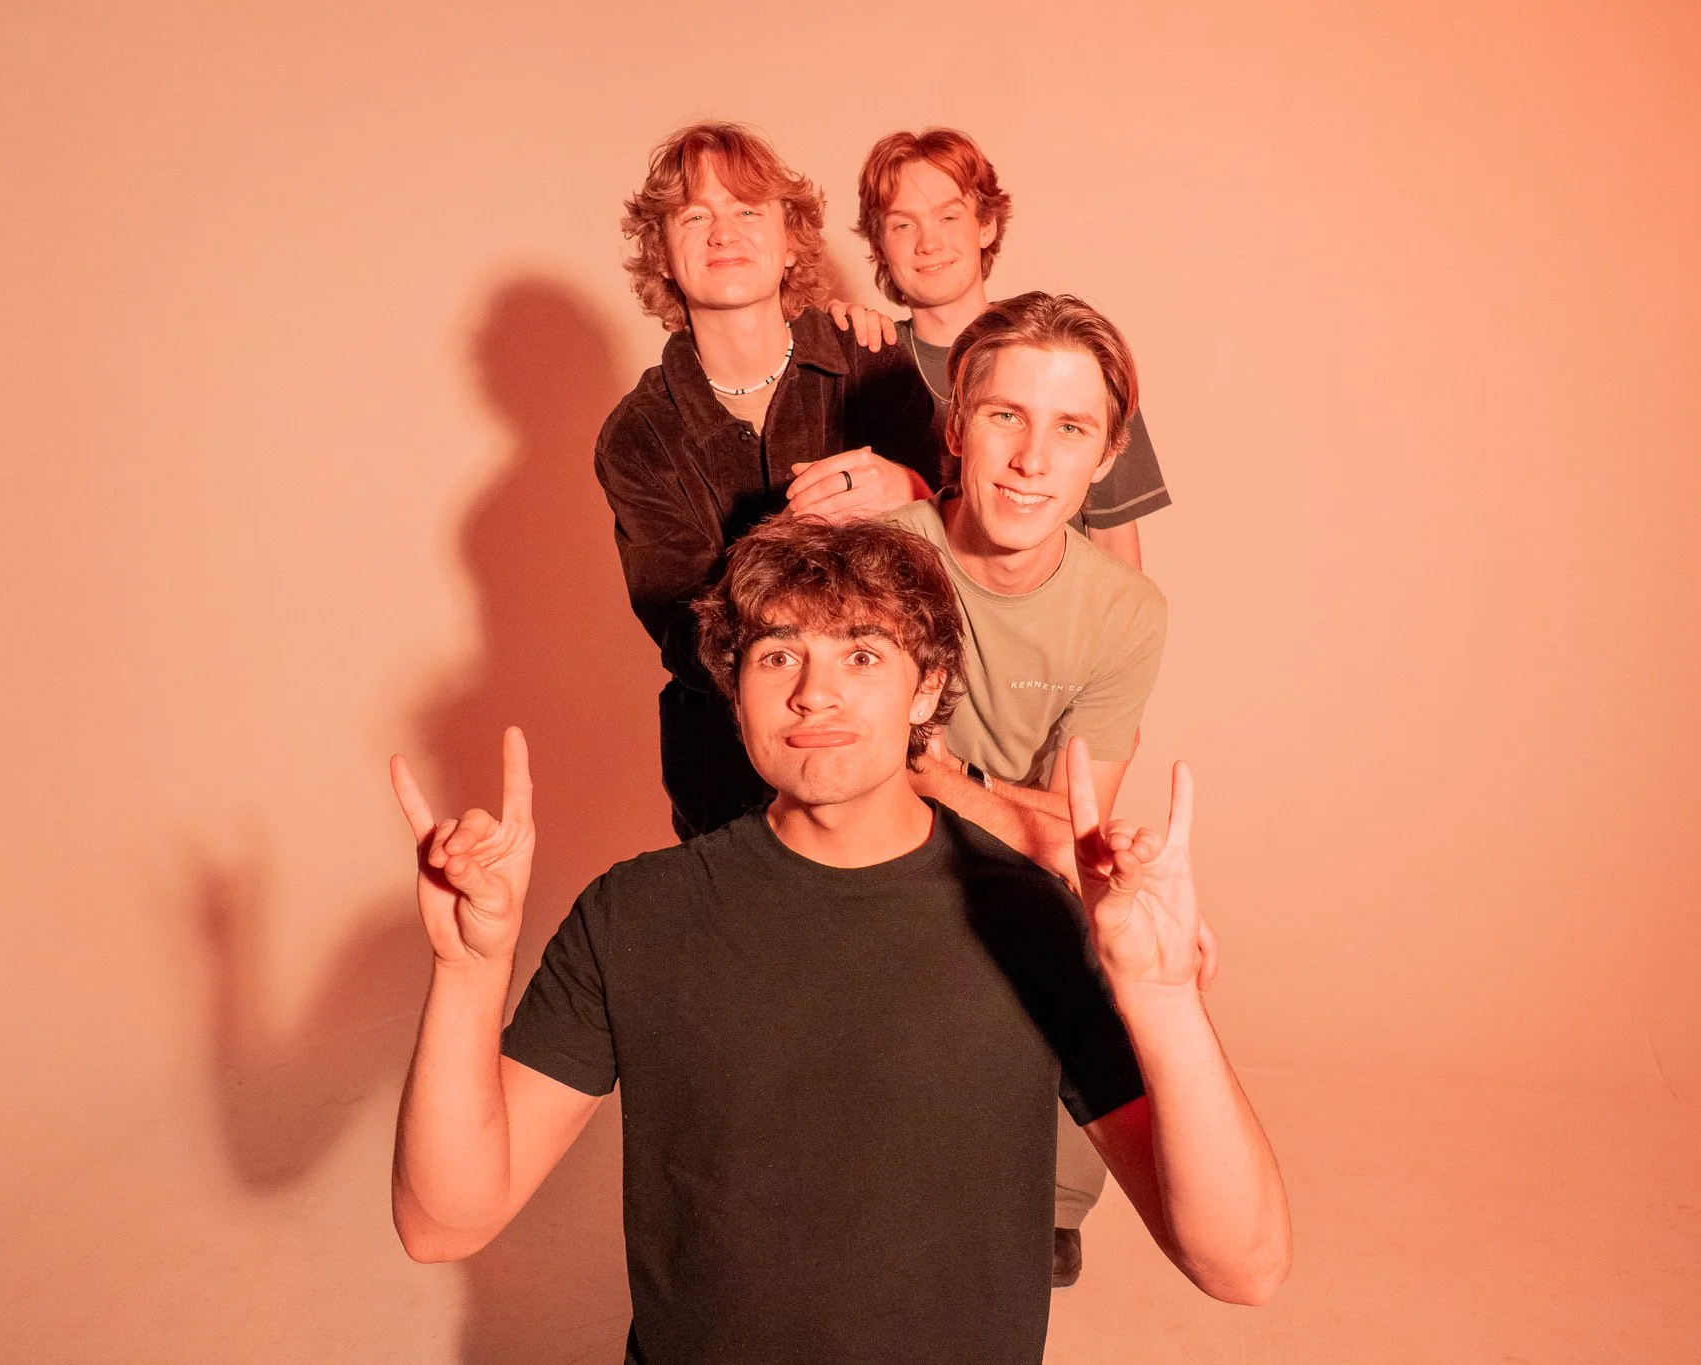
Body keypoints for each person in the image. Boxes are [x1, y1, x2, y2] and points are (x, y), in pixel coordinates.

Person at [387, 517, 1291, 1364]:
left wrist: (1166, 1000)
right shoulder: (638, 914)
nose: (815, 692)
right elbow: (444, 1222)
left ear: (927, 688)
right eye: (779, 653)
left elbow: (1242, 1265)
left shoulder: (1034, 921)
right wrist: (470, 969)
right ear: (735, 692)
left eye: (863, 653)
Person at [882, 290, 1168, 1283]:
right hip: (871, 846)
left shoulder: (1124, 611)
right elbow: (840, 772)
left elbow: (1076, 822)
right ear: (955, 427)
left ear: (1105, 455)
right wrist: (997, 798)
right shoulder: (881, 553)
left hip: (1009, 859)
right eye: (1004, 417)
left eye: (1069, 429)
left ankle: (1048, 1202)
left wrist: (949, 780)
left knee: (1090, 913)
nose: (1030, 460)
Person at [595, 121, 939, 840]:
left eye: (748, 211)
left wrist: (911, 491)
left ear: (791, 243)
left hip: (897, 768)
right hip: (725, 782)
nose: (724, 232)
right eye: (696, 216)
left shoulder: (873, 366)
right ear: (663, 255)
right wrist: (802, 542)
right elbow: (685, 631)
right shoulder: (637, 434)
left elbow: (960, 565)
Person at [838, 127, 1173, 571]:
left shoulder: (1072, 355)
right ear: (880, 245)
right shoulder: (856, 364)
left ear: (987, 225)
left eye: (949, 217)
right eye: (903, 224)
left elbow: (1114, 543)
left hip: (1049, 628)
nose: (928, 242)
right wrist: (816, 329)